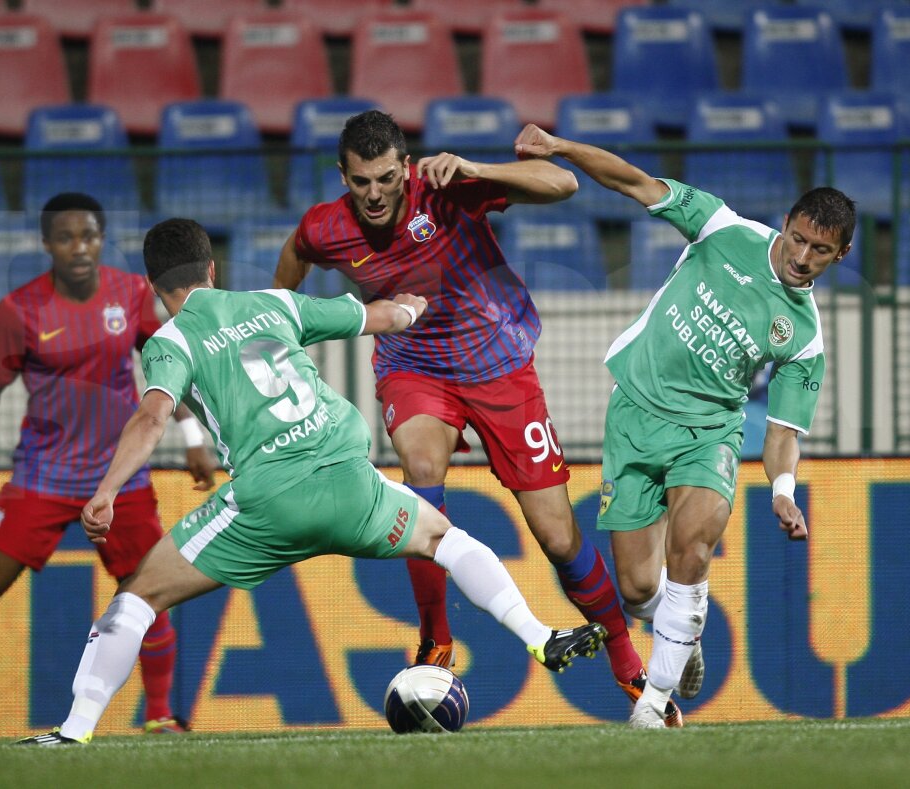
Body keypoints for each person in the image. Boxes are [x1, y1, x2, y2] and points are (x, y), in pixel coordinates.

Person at [15, 218, 606, 745]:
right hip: (349, 481)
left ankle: (74, 732)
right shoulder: (276, 304)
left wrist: (107, 489)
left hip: (265, 503)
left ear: (151, 285)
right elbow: (379, 317)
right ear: (213, 269)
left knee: (138, 597)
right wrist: (411, 308)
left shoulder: (170, 341)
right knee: (449, 540)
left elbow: (151, 417)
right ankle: (538, 635)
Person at [273, 110, 680, 725]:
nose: (376, 194)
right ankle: (435, 639)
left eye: (386, 178)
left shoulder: (445, 188)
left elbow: (563, 185)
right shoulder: (325, 227)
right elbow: (293, 260)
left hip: (499, 368)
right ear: (343, 177)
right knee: (420, 473)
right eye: (362, 183)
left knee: (559, 537)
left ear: (405, 167)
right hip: (413, 369)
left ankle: (626, 661)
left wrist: (474, 167)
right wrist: (286, 336)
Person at [512, 124, 855, 728]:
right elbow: (634, 183)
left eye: (820, 252)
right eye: (799, 240)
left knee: (692, 548)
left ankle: (653, 704)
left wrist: (782, 492)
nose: (803, 258)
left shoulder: (804, 335)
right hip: (635, 413)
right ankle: (682, 632)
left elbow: (782, 432)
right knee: (641, 588)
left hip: (708, 434)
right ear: (785, 224)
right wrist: (562, 148)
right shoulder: (723, 228)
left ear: (841, 255)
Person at [0, 193, 216, 741]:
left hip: (117, 477)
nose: (79, 247)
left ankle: (159, 715)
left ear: (102, 240)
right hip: (42, 476)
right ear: (47, 243)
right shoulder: (20, 310)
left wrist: (193, 435)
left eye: (90, 236)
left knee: (147, 590)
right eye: (67, 237)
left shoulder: (128, 296)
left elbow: (174, 362)